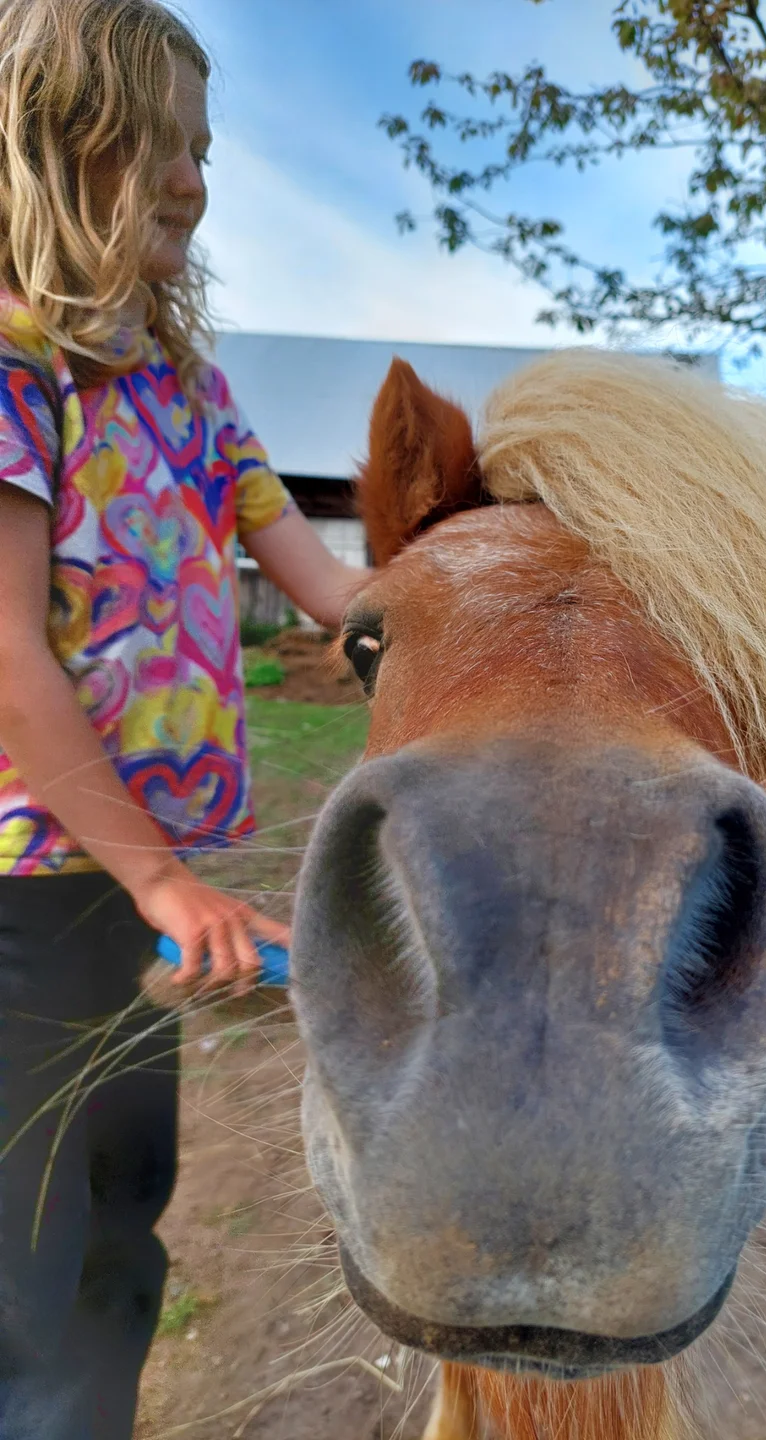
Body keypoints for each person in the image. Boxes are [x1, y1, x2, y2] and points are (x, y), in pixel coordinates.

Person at [0, 2, 370, 1433]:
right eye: (156, 142)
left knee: (122, 1216)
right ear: (49, 143)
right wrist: (160, 878)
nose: (189, 180)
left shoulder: (195, 396)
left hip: (138, 894)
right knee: (25, 1275)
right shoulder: (17, 369)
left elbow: (337, 589)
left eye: (203, 151)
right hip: (30, 896)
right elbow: (11, 657)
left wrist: (515, 563)